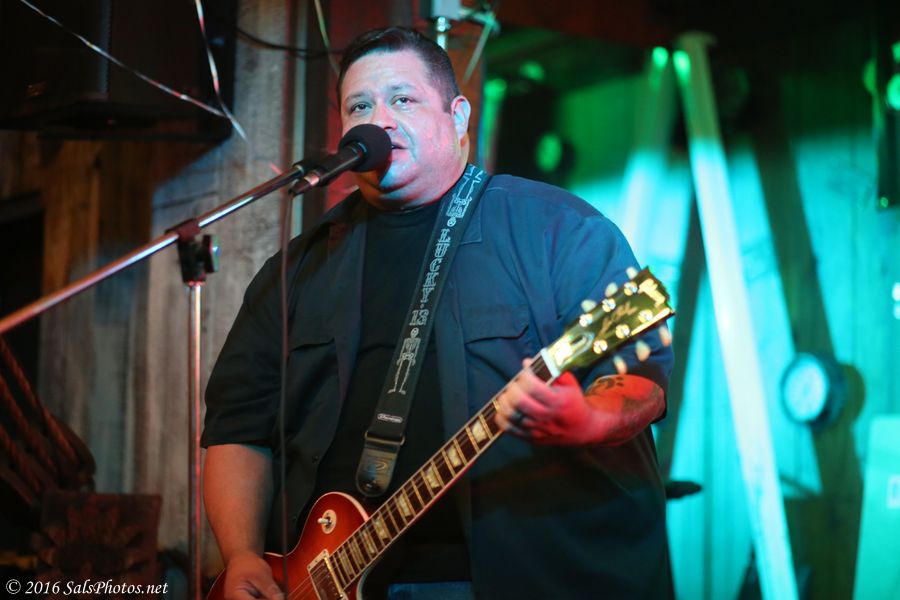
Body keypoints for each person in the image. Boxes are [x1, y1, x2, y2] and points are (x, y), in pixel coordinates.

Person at [202, 26, 674, 600]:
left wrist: (589, 420)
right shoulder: (298, 268)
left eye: (402, 99)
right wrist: (242, 554)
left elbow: (643, 382)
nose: (379, 120)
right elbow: (237, 427)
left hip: (523, 579)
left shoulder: (559, 229)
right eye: (359, 107)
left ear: (458, 117)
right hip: (325, 577)